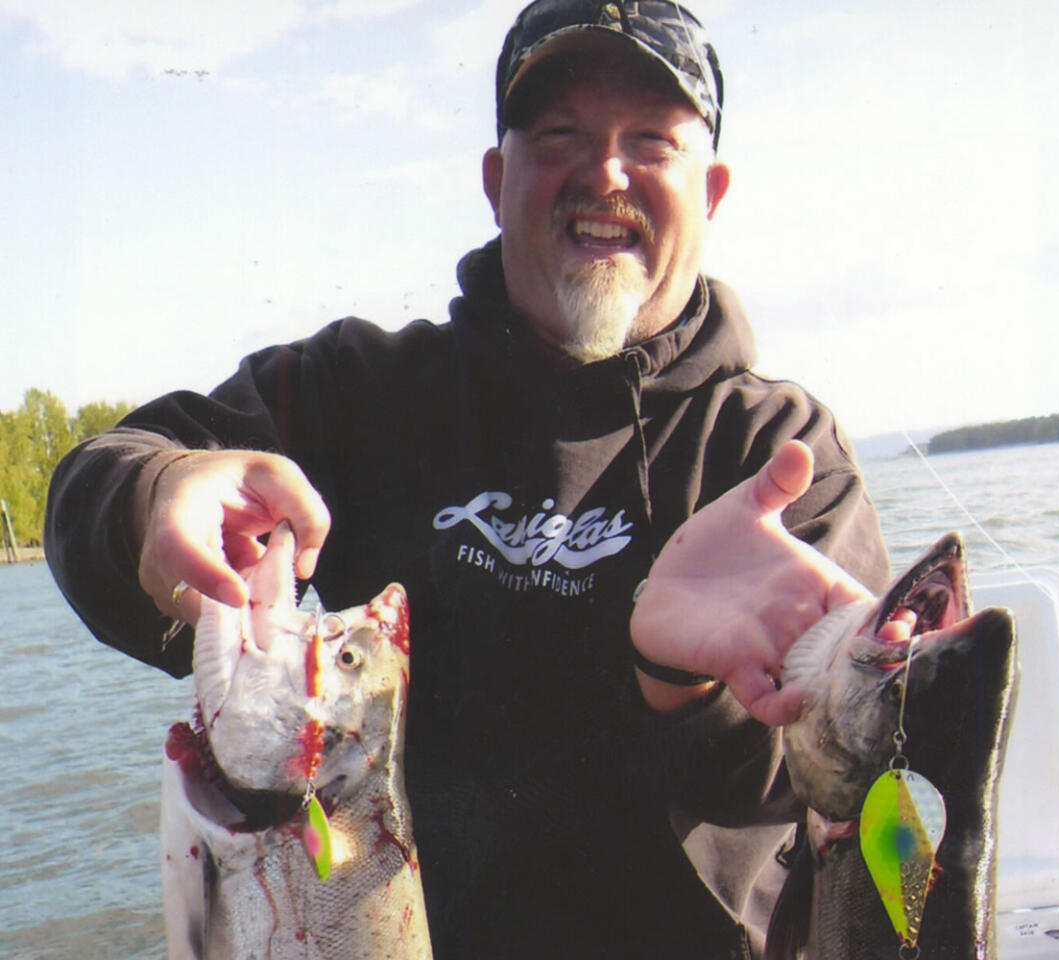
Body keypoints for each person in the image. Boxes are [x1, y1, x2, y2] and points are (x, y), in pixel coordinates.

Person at [45, 1, 890, 957]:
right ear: (497, 180)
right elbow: (102, 479)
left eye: (652, 142)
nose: (605, 173)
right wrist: (159, 494)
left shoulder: (778, 454)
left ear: (714, 191)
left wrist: (690, 691)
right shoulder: (354, 390)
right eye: (560, 133)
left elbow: (845, 782)